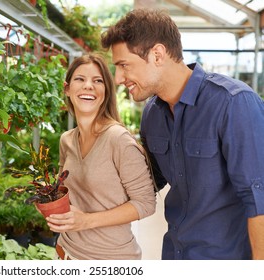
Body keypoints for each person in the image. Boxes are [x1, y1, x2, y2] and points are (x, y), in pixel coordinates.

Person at [101, 8, 264, 260]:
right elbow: (149, 182)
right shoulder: (152, 114)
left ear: (157, 54)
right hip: (176, 255)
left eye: (124, 65)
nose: (119, 78)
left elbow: (259, 199)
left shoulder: (233, 103)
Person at [45, 53, 156, 260]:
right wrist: (46, 200)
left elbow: (146, 204)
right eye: (80, 79)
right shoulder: (66, 140)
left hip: (110, 258)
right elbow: (65, 192)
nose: (89, 86)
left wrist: (86, 221)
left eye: (98, 81)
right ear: (67, 89)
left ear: (106, 92)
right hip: (65, 252)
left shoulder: (118, 140)